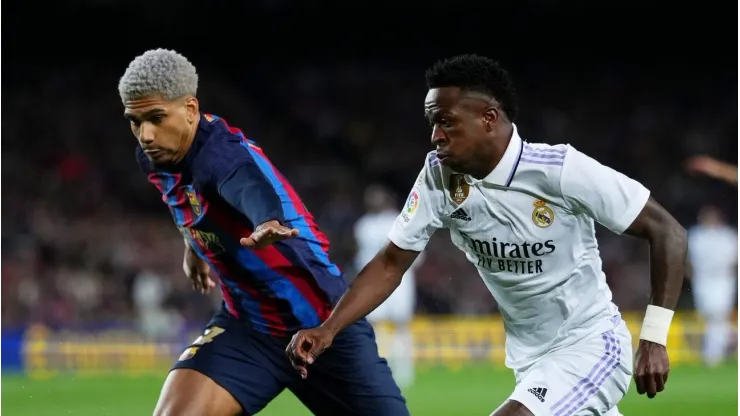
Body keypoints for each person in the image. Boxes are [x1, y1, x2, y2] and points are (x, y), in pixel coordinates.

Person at [287, 54, 688, 416]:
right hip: (530, 361)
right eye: (432, 124)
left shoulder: (559, 169)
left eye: (446, 122)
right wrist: (328, 329)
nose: (435, 136)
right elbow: (392, 262)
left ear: (488, 118)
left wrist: (653, 338)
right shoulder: (439, 177)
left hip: (592, 344)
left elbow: (667, 231)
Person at [118, 49, 408, 416]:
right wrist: (193, 244)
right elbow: (186, 200)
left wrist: (266, 220)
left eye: (156, 118)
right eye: (134, 121)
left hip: (322, 326)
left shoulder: (220, 155)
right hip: (247, 327)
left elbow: (248, 186)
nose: (145, 134)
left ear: (190, 109)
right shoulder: (156, 156)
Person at [354, 184, 421, 389]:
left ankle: (404, 370)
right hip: (374, 279)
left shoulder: (400, 220)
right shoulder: (363, 225)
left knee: (401, 324)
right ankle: (381, 368)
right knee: (377, 324)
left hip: (401, 278)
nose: (375, 202)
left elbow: (416, 251)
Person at [687, 205, 738, 367]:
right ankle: (730, 341)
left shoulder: (728, 235)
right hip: (702, 279)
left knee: (718, 314)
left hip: (723, 279)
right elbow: (687, 259)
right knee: (708, 314)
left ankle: (712, 354)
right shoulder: (695, 235)